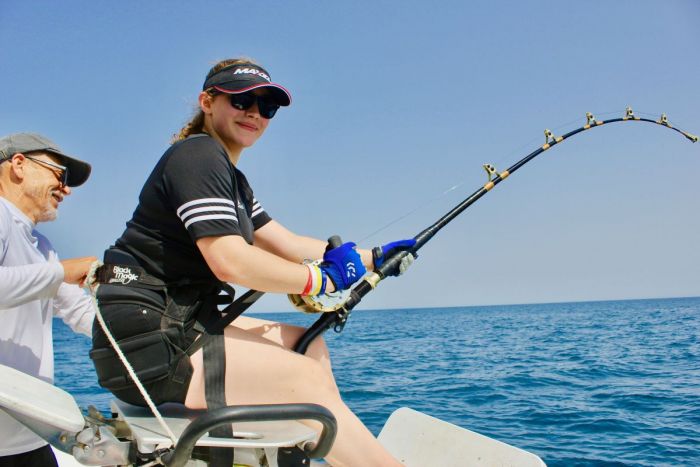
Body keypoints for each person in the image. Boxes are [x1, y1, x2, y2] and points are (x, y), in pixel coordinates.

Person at [90, 58, 415, 466]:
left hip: (174, 321)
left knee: (306, 344)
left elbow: (288, 242)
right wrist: (321, 281)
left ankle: (319, 448)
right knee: (304, 381)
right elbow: (230, 261)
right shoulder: (198, 156)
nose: (255, 114)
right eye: (242, 100)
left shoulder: (232, 179)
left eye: (267, 108)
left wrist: (374, 257)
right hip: (146, 343)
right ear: (207, 101)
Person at [0, 133, 96, 467]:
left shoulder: (43, 247)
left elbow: (80, 312)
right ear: (19, 165)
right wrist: (61, 272)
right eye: (60, 174)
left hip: (29, 435)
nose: (66, 189)